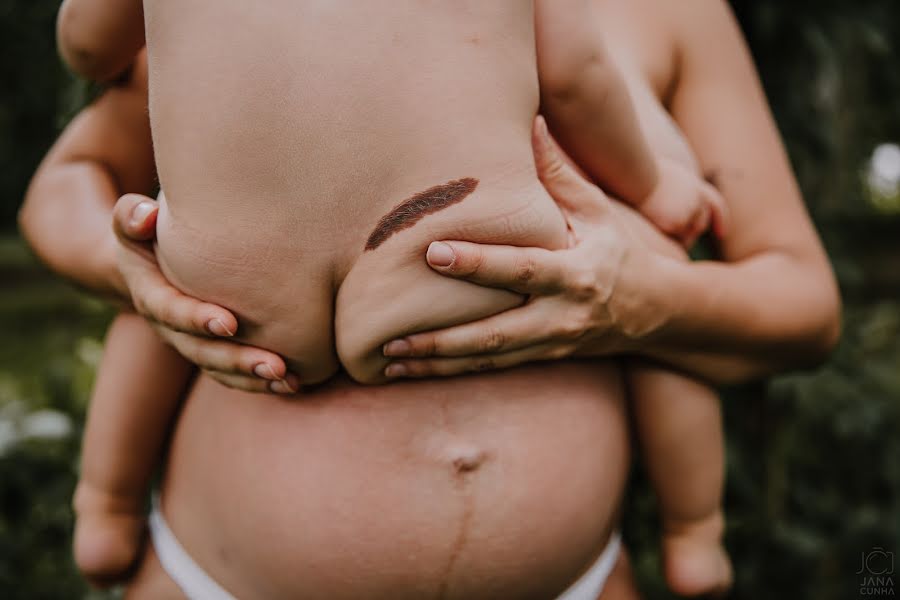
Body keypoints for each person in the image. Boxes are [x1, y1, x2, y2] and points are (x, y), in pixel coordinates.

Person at [21, 1, 840, 598]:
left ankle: (694, 531)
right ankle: (107, 503)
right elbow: (63, 185)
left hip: (575, 578)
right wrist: (134, 268)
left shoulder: (679, 14)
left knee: (654, 245)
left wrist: (641, 298)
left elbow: (808, 311)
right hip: (217, 577)